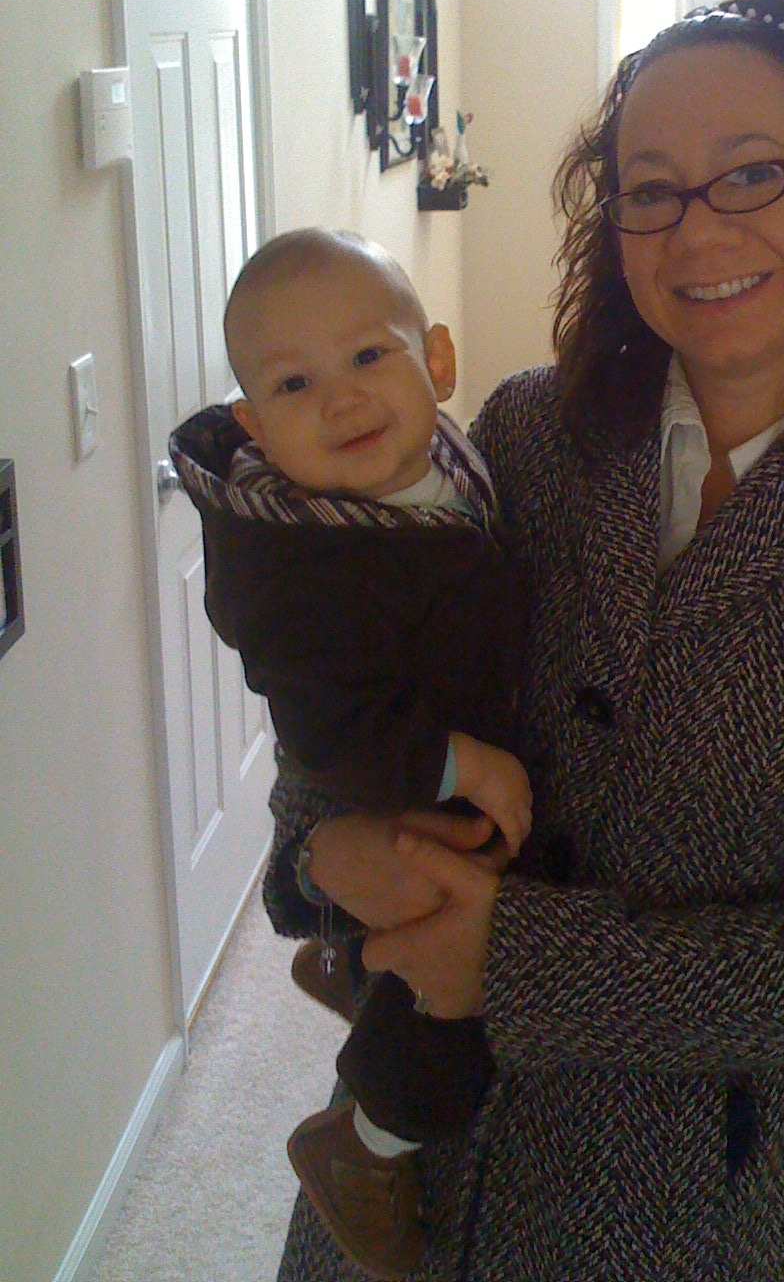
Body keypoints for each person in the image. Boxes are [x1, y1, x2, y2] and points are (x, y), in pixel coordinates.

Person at [267, 0, 784, 1282]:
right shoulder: (524, 434)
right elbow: (354, 666)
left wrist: (518, 964)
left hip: (704, 1206)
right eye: (651, 189)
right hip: (403, 1179)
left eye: (751, 173)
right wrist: (318, 843)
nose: (696, 230)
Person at [169, 229, 529, 1279]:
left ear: (439, 362)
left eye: (371, 355)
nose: (343, 398)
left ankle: (351, 960)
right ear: (254, 425)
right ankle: (364, 1144)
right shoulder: (296, 566)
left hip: (433, 774)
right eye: (294, 383)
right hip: (406, 791)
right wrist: (467, 764)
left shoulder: (444, 466)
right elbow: (328, 731)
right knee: (464, 1011)